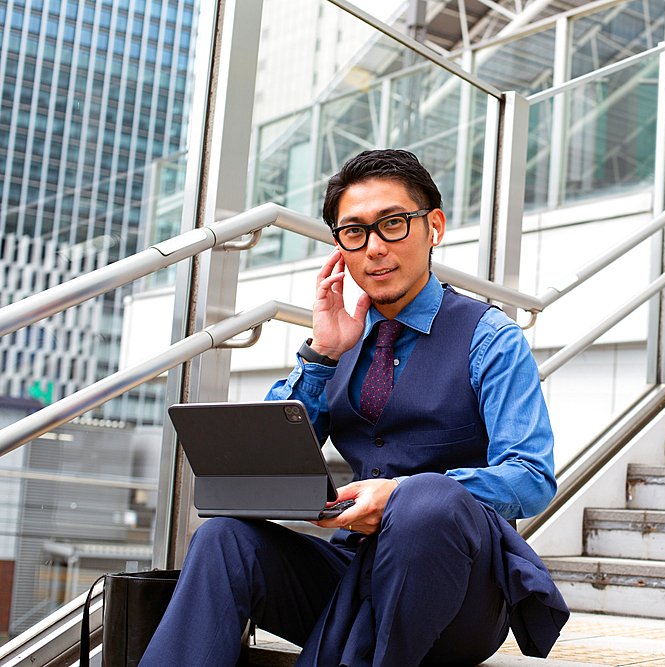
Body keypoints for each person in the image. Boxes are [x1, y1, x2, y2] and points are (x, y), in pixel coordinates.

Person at [139, 149, 568, 667]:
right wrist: (321, 356)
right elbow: (271, 462)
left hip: (460, 595)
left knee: (427, 501)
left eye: (392, 224)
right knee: (223, 538)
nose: (375, 248)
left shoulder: (490, 337)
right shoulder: (341, 339)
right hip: (354, 573)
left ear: (433, 227)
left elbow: (531, 477)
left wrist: (399, 496)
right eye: (354, 232)